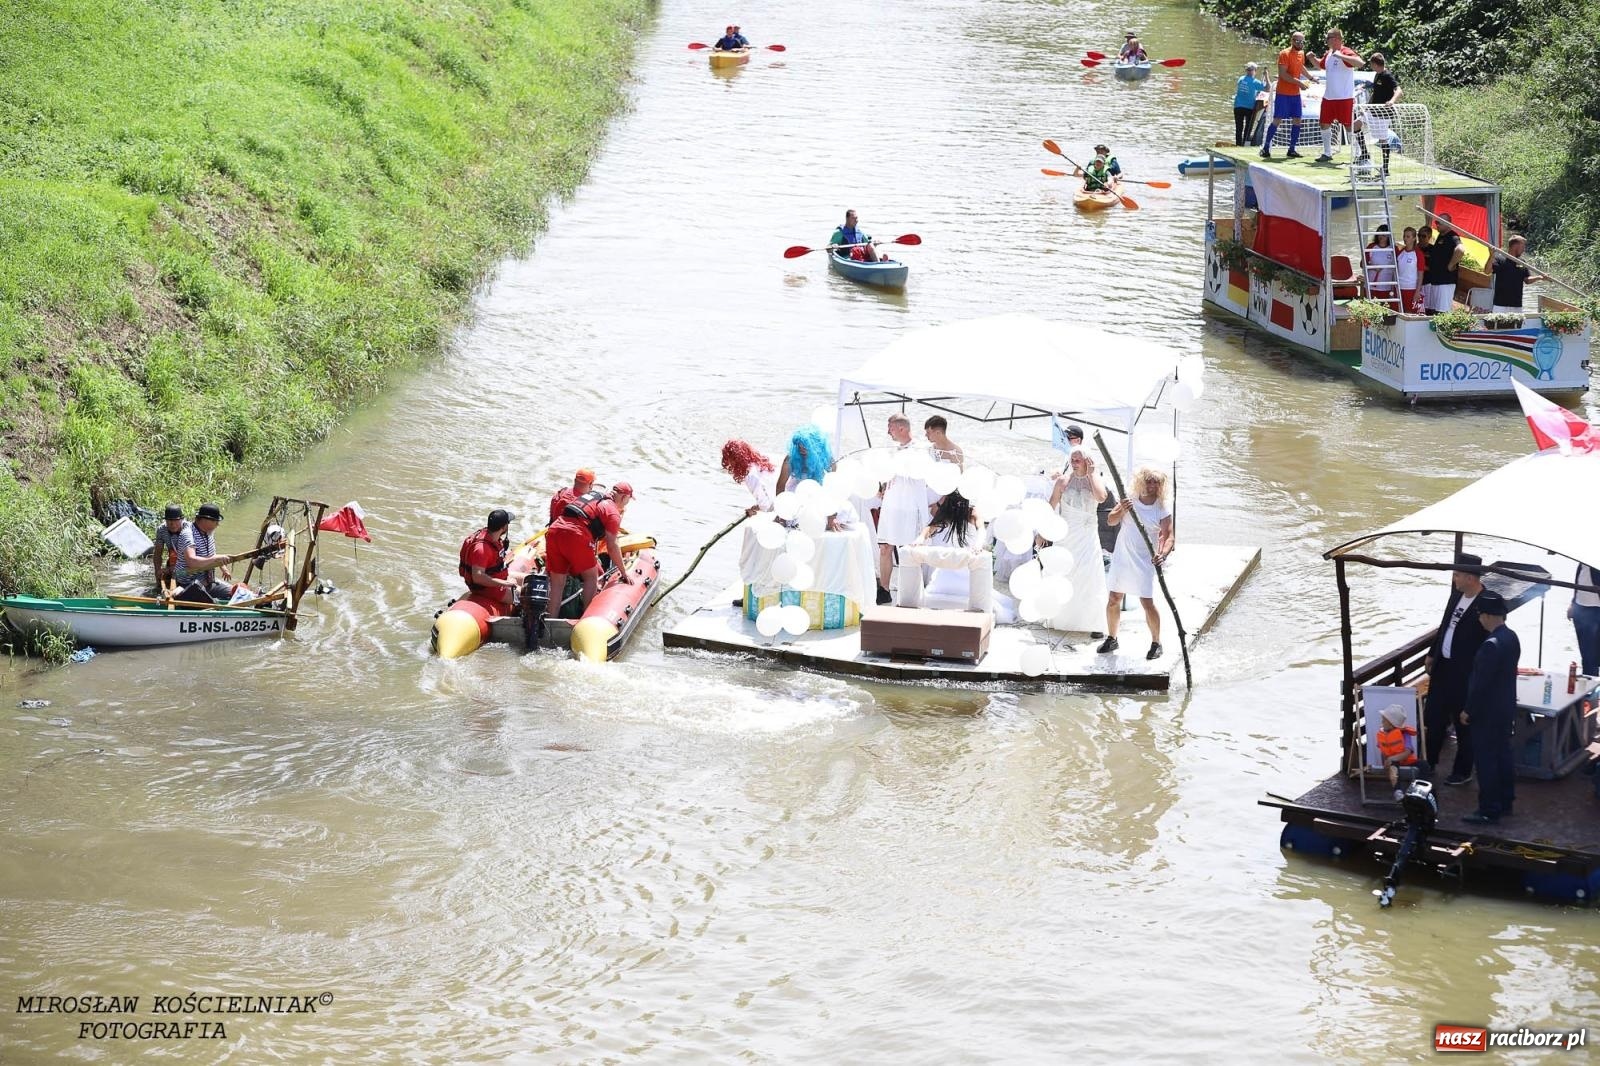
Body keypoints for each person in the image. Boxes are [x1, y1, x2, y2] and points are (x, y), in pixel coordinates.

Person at [1422, 553, 1487, 783]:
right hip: (1443, 666)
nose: (1454, 578)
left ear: (1470, 578)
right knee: (1434, 716)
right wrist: (1432, 653)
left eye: (1457, 575)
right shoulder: (1456, 595)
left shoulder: (1485, 602)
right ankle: (1429, 763)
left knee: (1463, 722)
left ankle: (1462, 771)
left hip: (1465, 673)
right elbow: (1444, 625)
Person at [1099, 467, 1174, 660]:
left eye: (1156, 482)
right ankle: (1112, 637)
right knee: (1114, 598)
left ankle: (1156, 643)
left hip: (1145, 560)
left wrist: (1162, 555)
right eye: (1149, 481)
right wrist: (1122, 508)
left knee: (1146, 602)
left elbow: (1169, 537)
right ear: (1142, 481)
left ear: (1161, 485)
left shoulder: (1161, 508)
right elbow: (1111, 520)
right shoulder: (1129, 499)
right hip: (1123, 556)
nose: (1152, 485)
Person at [1460, 589, 1519, 824]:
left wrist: (1468, 710)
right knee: (1503, 755)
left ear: (1487, 615)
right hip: (1505, 709)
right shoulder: (1511, 637)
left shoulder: (1490, 646)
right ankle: (1506, 800)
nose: (1479, 619)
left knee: (1486, 761)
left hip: (1487, 714)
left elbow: (1480, 686)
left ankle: (1488, 808)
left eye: (1480, 615)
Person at [544, 484, 637, 621]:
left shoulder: (593, 496)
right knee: (591, 577)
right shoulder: (612, 512)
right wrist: (623, 572)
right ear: (624, 497)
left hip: (554, 531)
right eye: (628, 500)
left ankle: (550, 622)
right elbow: (612, 546)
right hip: (576, 535)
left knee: (557, 583)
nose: (627, 504)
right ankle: (587, 620)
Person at [1048, 447, 1109, 633]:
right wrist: (1043, 531)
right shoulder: (1063, 481)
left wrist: (1091, 474)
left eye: (1078, 460)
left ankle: (1093, 622)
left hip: (1087, 535)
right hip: (1067, 533)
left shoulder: (1095, 480)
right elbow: (1051, 505)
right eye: (1072, 460)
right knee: (1066, 572)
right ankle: (1061, 617)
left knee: (1090, 575)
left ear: (1087, 461)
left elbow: (1101, 497)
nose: (1074, 463)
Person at [876, 414, 934, 604]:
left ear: (902, 428)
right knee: (885, 547)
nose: (888, 432)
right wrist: (882, 485)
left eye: (890, 428)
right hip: (891, 505)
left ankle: (912, 592)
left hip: (910, 507)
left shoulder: (922, 450)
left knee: (911, 550)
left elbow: (921, 474)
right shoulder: (893, 451)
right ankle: (884, 589)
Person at [1260, 30, 1312, 160]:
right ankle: (1265, 148)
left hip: (1295, 94)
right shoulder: (1284, 53)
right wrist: (1299, 82)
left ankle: (1292, 149)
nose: (1300, 44)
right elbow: (1283, 75)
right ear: (1292, 41)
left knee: (1297, 120)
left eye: (1302, 41)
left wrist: (1311, 77)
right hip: (1283, 93)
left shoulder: (1301, 53)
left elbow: (1301, 67)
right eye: (1297, 41)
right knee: (1277, 120)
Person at [1314, 28, 1364, 164]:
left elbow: (1360, 62)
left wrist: (1341, 56)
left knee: (1349, 126)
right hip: (1329, 97)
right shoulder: (1329, 53)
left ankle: (1359, 153)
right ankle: (1327, 152)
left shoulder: (1345, 51)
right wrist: (1311, 58)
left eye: (1328, 38)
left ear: (1336, 39)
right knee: (1324, 123)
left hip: (1344, 97)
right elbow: (1320, 65)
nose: (1326, 40)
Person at [173, 503, 240, 602]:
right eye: (215, 521)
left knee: (237, 593)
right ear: (204, 520)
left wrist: (223, 566)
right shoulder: (188, 534)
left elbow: (211, 554)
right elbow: (192, 561)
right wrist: (216, 559)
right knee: (214, 603)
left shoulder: (209, 532)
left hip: (208, 581)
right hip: (189, 584)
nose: (217, 524)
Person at [459, 507, 520, 607]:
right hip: (487, 589)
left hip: (497, 578)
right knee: (528, 596)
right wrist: (505, 584)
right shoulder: (481, 550)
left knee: (529, 579)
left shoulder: (493, 538)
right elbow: (478, 578)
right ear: (504, 527)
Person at [1354, 52, 1402, 173]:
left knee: (1383, 140)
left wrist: (1392, 101)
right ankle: (1364, 153)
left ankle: (1385, 168)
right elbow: (1375, 93)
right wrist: (1367, 107)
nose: (1371, 66)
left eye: (1371, 64)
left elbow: (1399, 91)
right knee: (1356, 124)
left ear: (1375, 64)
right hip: (1372, 110)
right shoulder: (1377, 75)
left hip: (1383, 113)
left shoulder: (1387, 75)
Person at [1490, 235, 1546, 313]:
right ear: (1515, 246)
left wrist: (1540, 277)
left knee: (1517, 325)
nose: (1524, 250)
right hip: (1500, 305)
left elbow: (1527, 280)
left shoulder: (1522, 262)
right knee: (1499, 325)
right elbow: (1487, 271)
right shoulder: (1499, 259)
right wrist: (1491, 256)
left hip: (1516, 305)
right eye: (1523, 246)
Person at [721, 440, 777, 516]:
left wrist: (754, 512)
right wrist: (757, 507)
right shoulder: (759, 464)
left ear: (736, 460)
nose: (729, 465)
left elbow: (766, 507)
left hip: (779, 512)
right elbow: (768, 496)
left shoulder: (750, 475)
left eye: (730, 461)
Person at [1421, 218, 1463, 315]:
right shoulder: (1441, 236)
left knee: (1442, 312)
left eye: (1439, 222)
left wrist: (1451, 265)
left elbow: (1460, 250)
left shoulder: (1453, 236)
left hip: (1446, 281)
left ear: (1447, 223)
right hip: (1437, 281)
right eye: (1436, 222)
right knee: (1434, 311)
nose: (1437, 224)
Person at [1376, 704, 1419, 793]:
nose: (1382, 722)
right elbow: (1383, 751)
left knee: (1424, 765)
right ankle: (1398, 791)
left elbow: (1408, 752)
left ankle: (1421, 789)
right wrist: (1385, 761)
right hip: (1393, 764)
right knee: (1393, 764)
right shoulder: (1383, 735)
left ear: (1391, 724)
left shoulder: (1404, 734)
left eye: (1384, 720)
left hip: (1406, 762)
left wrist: (1391, 758)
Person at [151, 503, 190, 594]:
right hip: (172, 561)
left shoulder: (188, 529)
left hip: (188, 563)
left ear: (181, 520)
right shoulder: (161, 530)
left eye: (176, 521)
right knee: (159, 589)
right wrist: (157, 571)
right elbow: (157, 554)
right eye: (169, 521)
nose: (172, 524)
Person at [1570, 562, 1600, 676]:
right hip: (1580, 608)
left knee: (1591, 655)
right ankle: (1588, 680)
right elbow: (1578, 582)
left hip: (1596, 609)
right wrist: (1573, 604)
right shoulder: (1582, 561)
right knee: (1585, 652)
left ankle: (1591, 682)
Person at [1233, 62, 1268, 146]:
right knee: (1247, 129)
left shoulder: (1241, 79)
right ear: (1254, 71)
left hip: (1237, 106)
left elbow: (1247, 89)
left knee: (1239, 128)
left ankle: (1238, 144)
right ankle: (1244, 144)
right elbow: (1268, 88)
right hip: (1248, 108)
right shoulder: (1255, 81)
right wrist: (1266, 76)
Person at [1365, 225, 1398, 307]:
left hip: (1386, 286)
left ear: (1388, 236)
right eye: (1379, 234)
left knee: (1385, 310)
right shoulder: (1371, 247)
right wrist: (1372, 267)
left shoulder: (1393, 249)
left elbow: (1398, 266)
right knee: (1371, 309)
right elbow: (1362, 263)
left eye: (1383, 234)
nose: (1380, 236)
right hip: (1371, 285)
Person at [1396, 226, 1422, 314]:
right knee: (1399, 312)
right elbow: (1395, 271)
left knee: (1410, 313)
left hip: (1411, 288)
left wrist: (1417, 292)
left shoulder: (1418, 254)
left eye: (1408, 236)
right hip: (1399, 288)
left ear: (1414, 238)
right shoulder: (1400, 252)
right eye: (1404, 236)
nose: (1405, 238)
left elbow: (1421, 274)